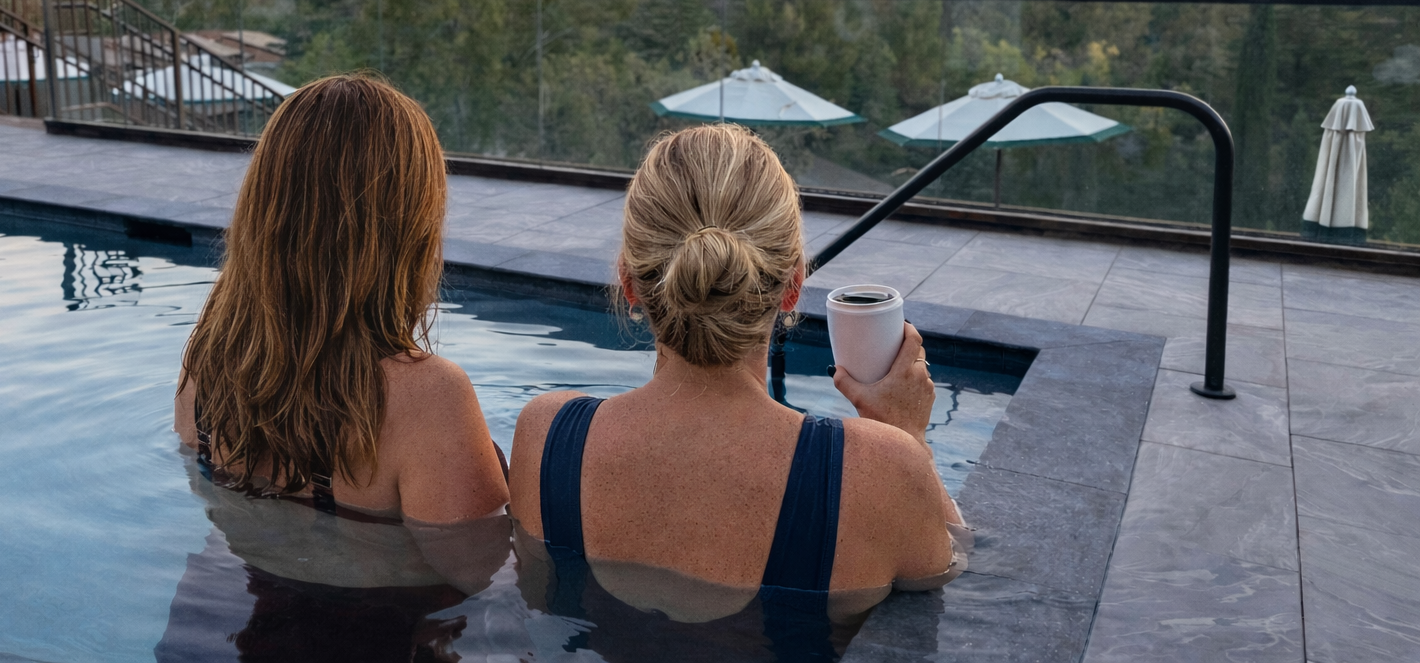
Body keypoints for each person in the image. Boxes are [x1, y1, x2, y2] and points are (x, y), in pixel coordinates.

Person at [508, 124, 967, 659]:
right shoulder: (880, 471)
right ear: (793, 285)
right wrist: (909, 437)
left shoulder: (547, 437)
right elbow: (955, 579)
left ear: (629, 283)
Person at [161, 75, 511, 662]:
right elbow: (488, 581)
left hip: (225, 625)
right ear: (407, 224)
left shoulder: (207, 362)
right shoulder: (427, 396)